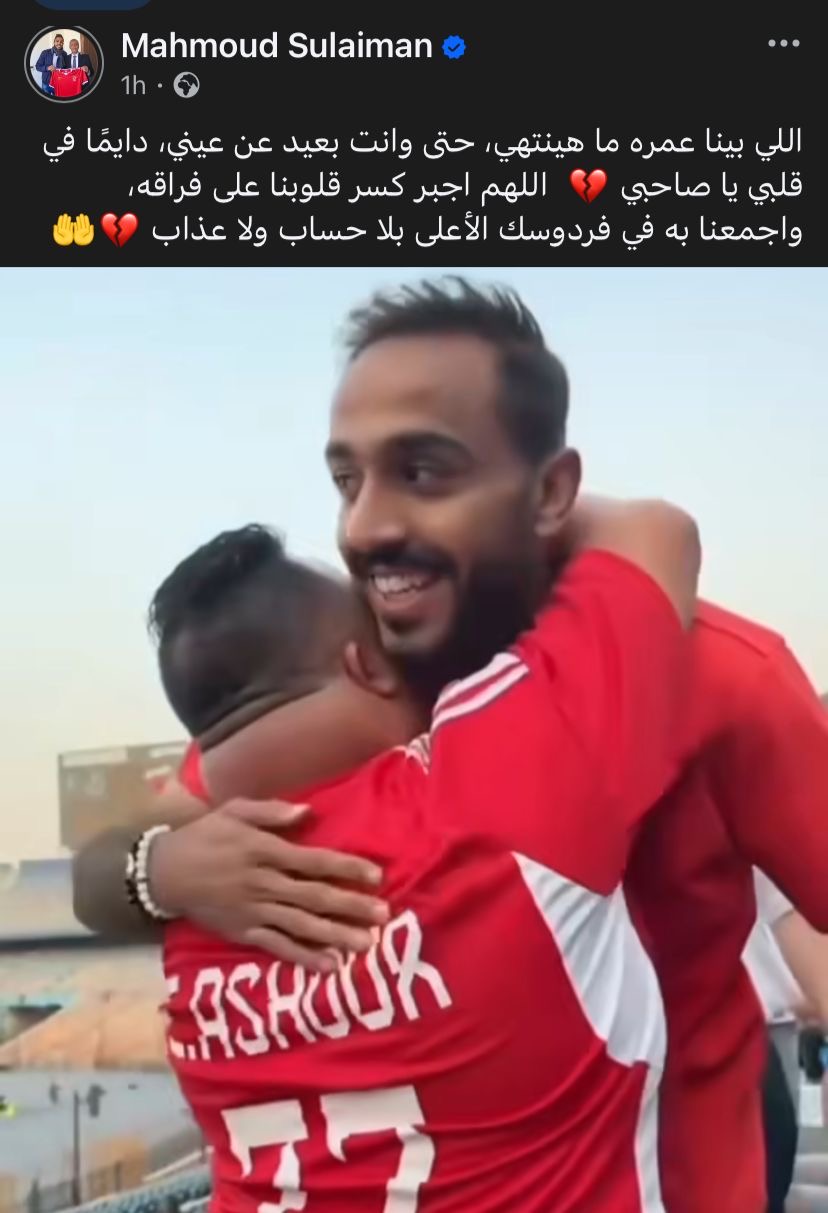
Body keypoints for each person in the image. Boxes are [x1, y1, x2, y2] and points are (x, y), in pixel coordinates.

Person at [73, 279, 828, 1213]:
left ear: (552, 491)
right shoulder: (329, 711)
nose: (364, 525)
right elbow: (101, 870)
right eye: (347, 481)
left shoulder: (717, 672)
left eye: (424, 472)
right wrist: (162, 868)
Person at [154, 498, 698, 1212]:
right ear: (368, 664)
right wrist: (439, 531)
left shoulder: (185, 900)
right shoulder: (496, 775)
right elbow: (656, 531)